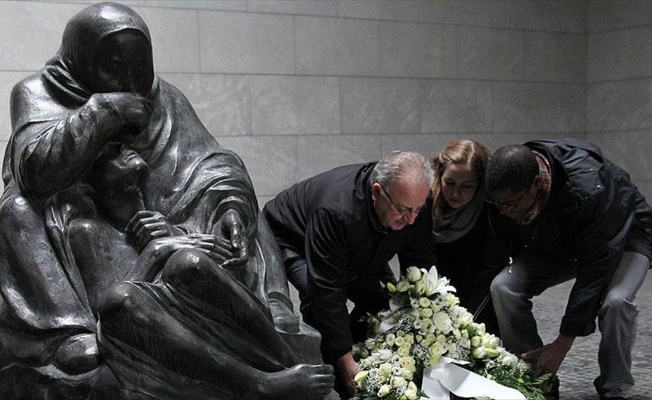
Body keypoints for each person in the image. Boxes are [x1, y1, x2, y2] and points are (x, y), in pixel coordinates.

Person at [0, 2, 333, 398]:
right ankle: (69, 331)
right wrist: (105, 110)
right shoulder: (38, 92)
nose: (127, 79)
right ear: (82, 59)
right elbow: (35, 172)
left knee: (237, 203)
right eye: (113, 66)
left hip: (158, 223)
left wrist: (223, 208)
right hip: (83, 231)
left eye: (137, 67)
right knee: (15, 211)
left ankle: (278, 336)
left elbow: (211, 163)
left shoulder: (164, 98)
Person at [485, 138, 652, 400]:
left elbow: (596, 268)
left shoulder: (590, 188)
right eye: (499, 204)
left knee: (617, 302)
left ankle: (614, 387)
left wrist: (563, 342)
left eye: (512, 204)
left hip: (624, 235)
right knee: (503, 287)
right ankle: (535, 378)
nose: (504, 211)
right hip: (559, 239)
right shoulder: (508, 186)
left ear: (536, 182)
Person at [263, 151, 438, 398]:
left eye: (417, 210)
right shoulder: (335, 210)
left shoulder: (415, 202)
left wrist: (425, 316)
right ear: (377, 192)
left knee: (381, 302)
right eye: (403, 209)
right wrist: (345, 362)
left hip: (353, 241)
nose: (411, 220)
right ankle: (330, 380)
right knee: (317, 302)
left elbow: (420, 263)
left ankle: (363, 358)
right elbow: (327, 292)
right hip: (291, 237)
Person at [430, 139, 506, 335]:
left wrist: (466, 323)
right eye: (450, 183)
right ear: (440, 176)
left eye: (467, 186)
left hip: (478, 303)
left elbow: (490, 270)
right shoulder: (424, 204)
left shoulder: (490, 211)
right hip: (432, 299)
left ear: (479, 185)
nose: (456, 193)